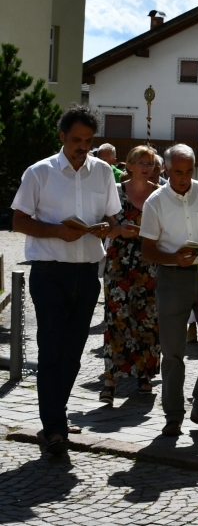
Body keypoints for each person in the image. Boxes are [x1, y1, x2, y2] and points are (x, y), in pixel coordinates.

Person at [11, 105, 120, 453]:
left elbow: (112, 217)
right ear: (62, 137)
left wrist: (107, 228)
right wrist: (57, 231)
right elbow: (19, 220)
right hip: (49, 273)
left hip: (87, 273)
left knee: (72, 353)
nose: (82, 147)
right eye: (76, 140)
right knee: (51, 349)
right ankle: (54, 426)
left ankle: (55, 416)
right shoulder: (39, 172)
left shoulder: (103, 172)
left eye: (88, 141)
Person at [140, 144, 198, 436]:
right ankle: (173, 414)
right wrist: (173, 258)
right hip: (172, 277)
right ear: (165, 170)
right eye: (178, 172)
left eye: (189, 171)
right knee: (173, 350)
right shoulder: (155, 202)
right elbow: (148, 250)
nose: (184, 177)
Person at [100, 145, 163, 405]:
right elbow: (104, 227)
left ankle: (145, 375)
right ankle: (110, 380)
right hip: (119, 262)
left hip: (149, 262)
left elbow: (165, 229)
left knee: (147, 318)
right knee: (117, 318)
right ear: (129, 165)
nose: (146, 167)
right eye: (141, 162)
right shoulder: (114, 192)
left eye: (150, 163)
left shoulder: (159, 194)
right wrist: (120, 231)